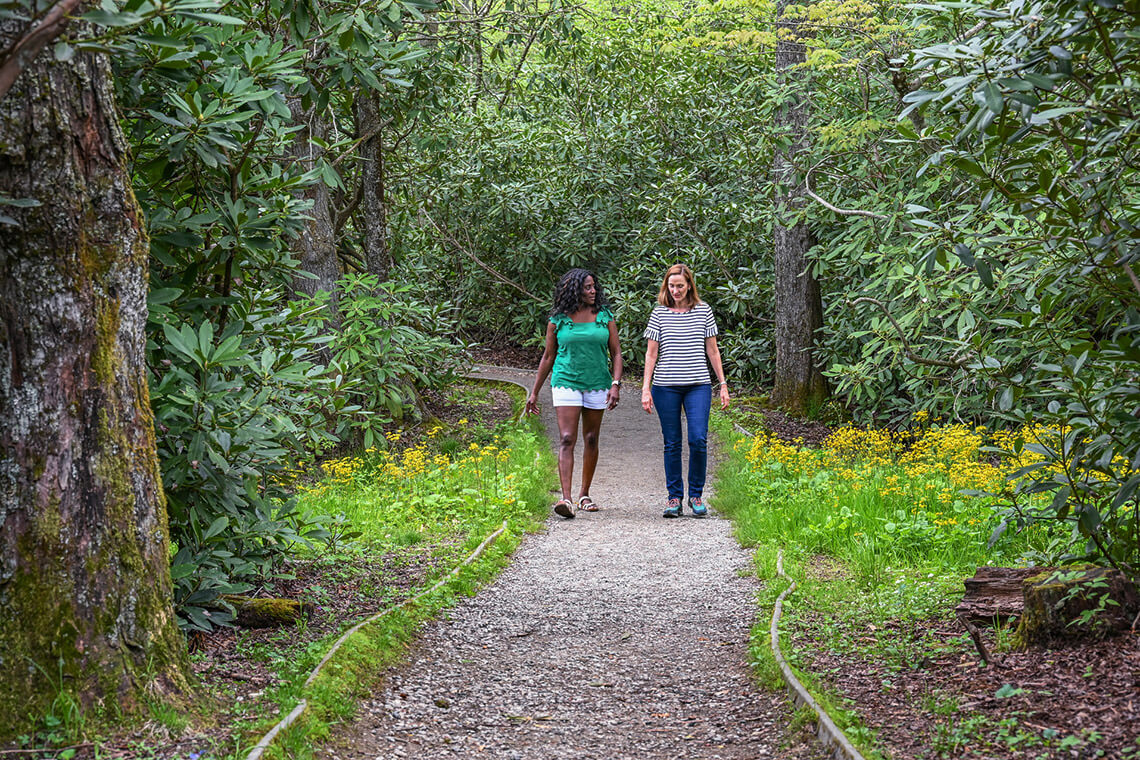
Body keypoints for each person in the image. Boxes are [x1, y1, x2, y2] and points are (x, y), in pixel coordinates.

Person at [526, 268, 622, 519]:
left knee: (591, 438)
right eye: (588, 287)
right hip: (566, 382)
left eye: (594, 287)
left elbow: (617, 353)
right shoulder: (558, 320)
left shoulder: (604, 316)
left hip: (598, 383)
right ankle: (566, 499)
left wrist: (615, 384)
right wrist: (534, 392)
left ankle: (584, 495)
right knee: (567, 438)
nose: (593, 291)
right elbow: (548, 356)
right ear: (574, 289)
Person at [640, 263, 730, 518]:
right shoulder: (659, 314)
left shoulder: (703, 311)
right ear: (666, 287)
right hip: (665, 386)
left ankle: (696, 495)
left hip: (698, 385)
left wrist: (722, 384)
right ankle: (674, 498)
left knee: (698, 439)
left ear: (689, 284)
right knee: (672, 443)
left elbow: (712, 350)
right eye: (671, 286)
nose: (676, 290)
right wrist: (645, 388)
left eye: (680, 285)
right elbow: (651, 353)